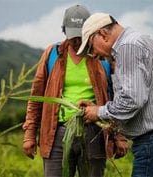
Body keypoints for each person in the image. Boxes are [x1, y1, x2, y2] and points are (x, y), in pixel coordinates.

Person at [22, 5, 112, 177]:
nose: (77, 41)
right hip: (57, 132)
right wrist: (29, 134)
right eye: (73, 36)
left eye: (81, 35)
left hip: (93, 131)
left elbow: (115, 95)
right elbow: (36, 97)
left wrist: (119, 137)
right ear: (63, 31)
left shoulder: (101, 56)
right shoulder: (53, 54)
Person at [77, 12, 153, 177]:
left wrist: (98, 112)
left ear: (103, 34)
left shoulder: (127, 47)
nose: (94, 54)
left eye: (91, 46)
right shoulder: (141, 40)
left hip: (151, 141)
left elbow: (132, 100)